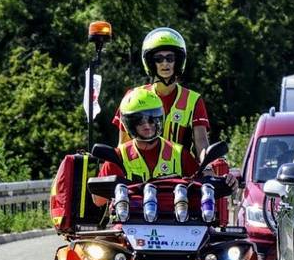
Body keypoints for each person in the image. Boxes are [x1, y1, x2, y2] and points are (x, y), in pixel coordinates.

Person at [94, 88, 234, 205]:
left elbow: (203, 185)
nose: (147, 125)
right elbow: (97, 200)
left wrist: (226, 181)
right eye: (139, 121)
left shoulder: (179, 153)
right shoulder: (119, 156)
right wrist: (113, 187)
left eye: (152, 119)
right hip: (128, 222)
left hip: (175, 222)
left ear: (160, 118)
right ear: (128, 123)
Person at [113, 28, 211, 159]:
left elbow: (202, 143)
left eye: (170, 58)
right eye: (158, 59)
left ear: (178, 61)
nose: (165, 63)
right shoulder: (132, 97)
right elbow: (122, 145)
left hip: (182, 170)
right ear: (150, 63)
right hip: (140, 170)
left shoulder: (193, 100)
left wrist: (210, 163)